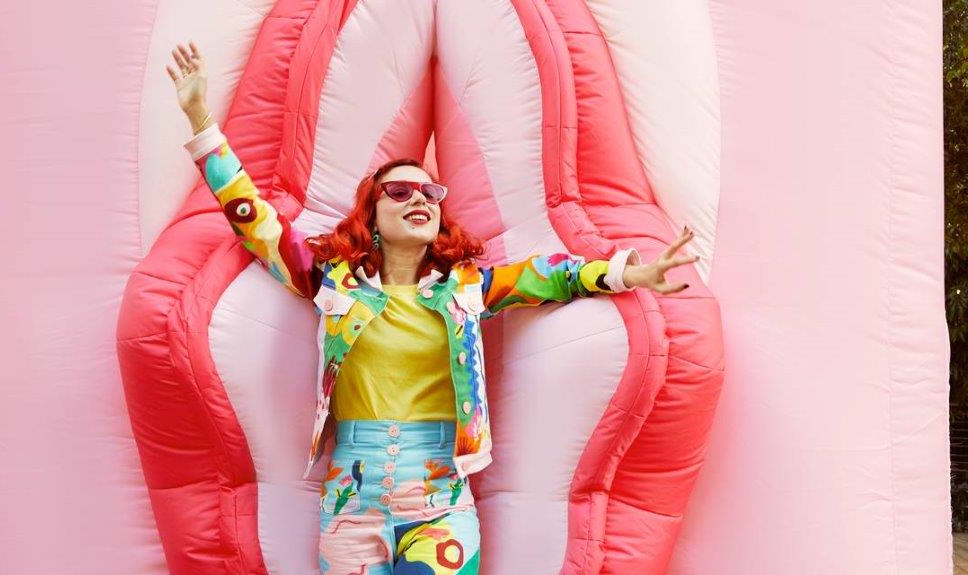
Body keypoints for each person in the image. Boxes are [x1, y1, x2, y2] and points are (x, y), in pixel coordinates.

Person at [167, 40, 696, 575]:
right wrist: (200, 120)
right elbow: (257, 224)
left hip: (440, 498)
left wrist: (629, 272)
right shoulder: (333, 280)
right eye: (399, 191)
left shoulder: (466, 288)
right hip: (351, 499)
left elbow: (549, 275)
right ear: (371, 217)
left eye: (430, 193)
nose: (420, 199)